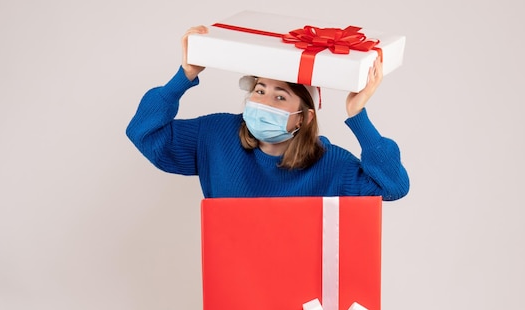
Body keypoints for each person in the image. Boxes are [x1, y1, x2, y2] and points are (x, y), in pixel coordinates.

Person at [126, 26, 410, 200]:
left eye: (280, 96)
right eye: (260, 90)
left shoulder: (329, 162)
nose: (264, 102)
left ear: (304, 116)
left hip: (297, 289)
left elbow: (392, 187)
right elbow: (145, 133)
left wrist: (358, 114)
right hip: (230, 282)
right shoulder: (216, 135)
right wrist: (184, 75)